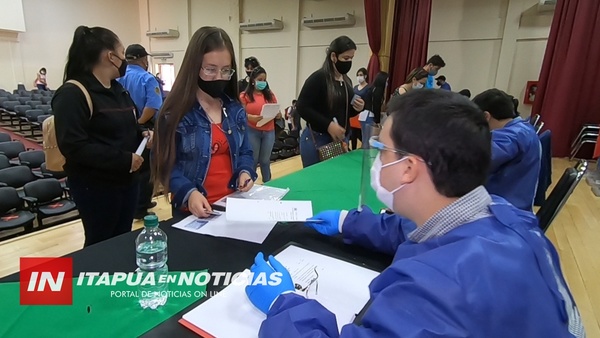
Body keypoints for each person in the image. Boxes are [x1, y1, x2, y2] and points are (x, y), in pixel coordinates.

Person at [243, 90, 585, 338]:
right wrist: (349, 221)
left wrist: (285, 305)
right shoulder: (508, 218)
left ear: (408, 168)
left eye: (381, 150)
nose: (376, 162)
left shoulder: (432, 290)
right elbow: (415, 230)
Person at [52, 26, 152, 246]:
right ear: (110, 56)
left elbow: (129, 124)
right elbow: (74, 146)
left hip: (127, 182)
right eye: (122, 53)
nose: (125, 60)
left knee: (121, 240)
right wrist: (124, 159)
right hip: (96, 187)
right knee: (101, 243)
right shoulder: (73, 94)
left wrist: (142, 133)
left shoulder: (118, 89)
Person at [152, 26, 256, 219]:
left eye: (226, 71)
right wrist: (189, 193)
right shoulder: (173, 114)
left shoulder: (235, 108)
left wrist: (245, 171)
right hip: (193, 213)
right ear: (194, 67)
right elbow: (163, 165)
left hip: (233, 206)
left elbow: (245, 151)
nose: (218, 77)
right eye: (210, 70)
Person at [296, 36, 365, 167]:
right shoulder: (318, 78)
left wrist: (357, 108)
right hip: (317, 138)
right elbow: (302, 107)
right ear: (333, 56)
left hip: (339, 140)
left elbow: (343, 111)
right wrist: (328, 125)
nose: (349, 62)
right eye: (346, 58)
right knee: (315, 181)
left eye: (351, 58)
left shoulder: (346, 81)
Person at [473, 88, 541, 212]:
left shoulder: (510, 136)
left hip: (504, 209)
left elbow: (476, 162)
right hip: (514, 202)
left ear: (485, 116)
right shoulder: (522, 128)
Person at [117, 44, 163, 219]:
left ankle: (135, 203)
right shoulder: (147, 78)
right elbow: (152, 106)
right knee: (146, 170)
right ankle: (141, 207)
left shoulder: (119, 76)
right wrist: (139, 124)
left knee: (130, 165)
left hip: (124, 128)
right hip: (144, 129)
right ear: (144, 59)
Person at [240, 66, 280, 183]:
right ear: (253, 80)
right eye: (260, 79)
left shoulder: (269, 95)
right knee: (253, 159)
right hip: (252, 130)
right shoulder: (244, 96)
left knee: (265, 160)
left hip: (269, 130)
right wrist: (250, 117)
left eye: (264, 80)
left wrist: (278, 115)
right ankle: (250, 183)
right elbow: (240, 114)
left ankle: (268, 183)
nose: (263, 82)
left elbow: (275, 109)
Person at [362, 71, 388, 145]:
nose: (387, 83)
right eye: (386, 80)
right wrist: (378, 121)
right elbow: (376, 106)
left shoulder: (372, 88)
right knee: (368, 140)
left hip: (364, 116)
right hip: (369, 116)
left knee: (365, 139)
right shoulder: (377, 90)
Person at [351, 67, 369, 149]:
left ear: (365, 76)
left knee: (361, 134)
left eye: (361, 75)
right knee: (353, 133)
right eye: (358, 75)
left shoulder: (369, 88)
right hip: (354, 112)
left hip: (363, 113)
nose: (359, 77)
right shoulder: (355, 87)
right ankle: (353, 149)